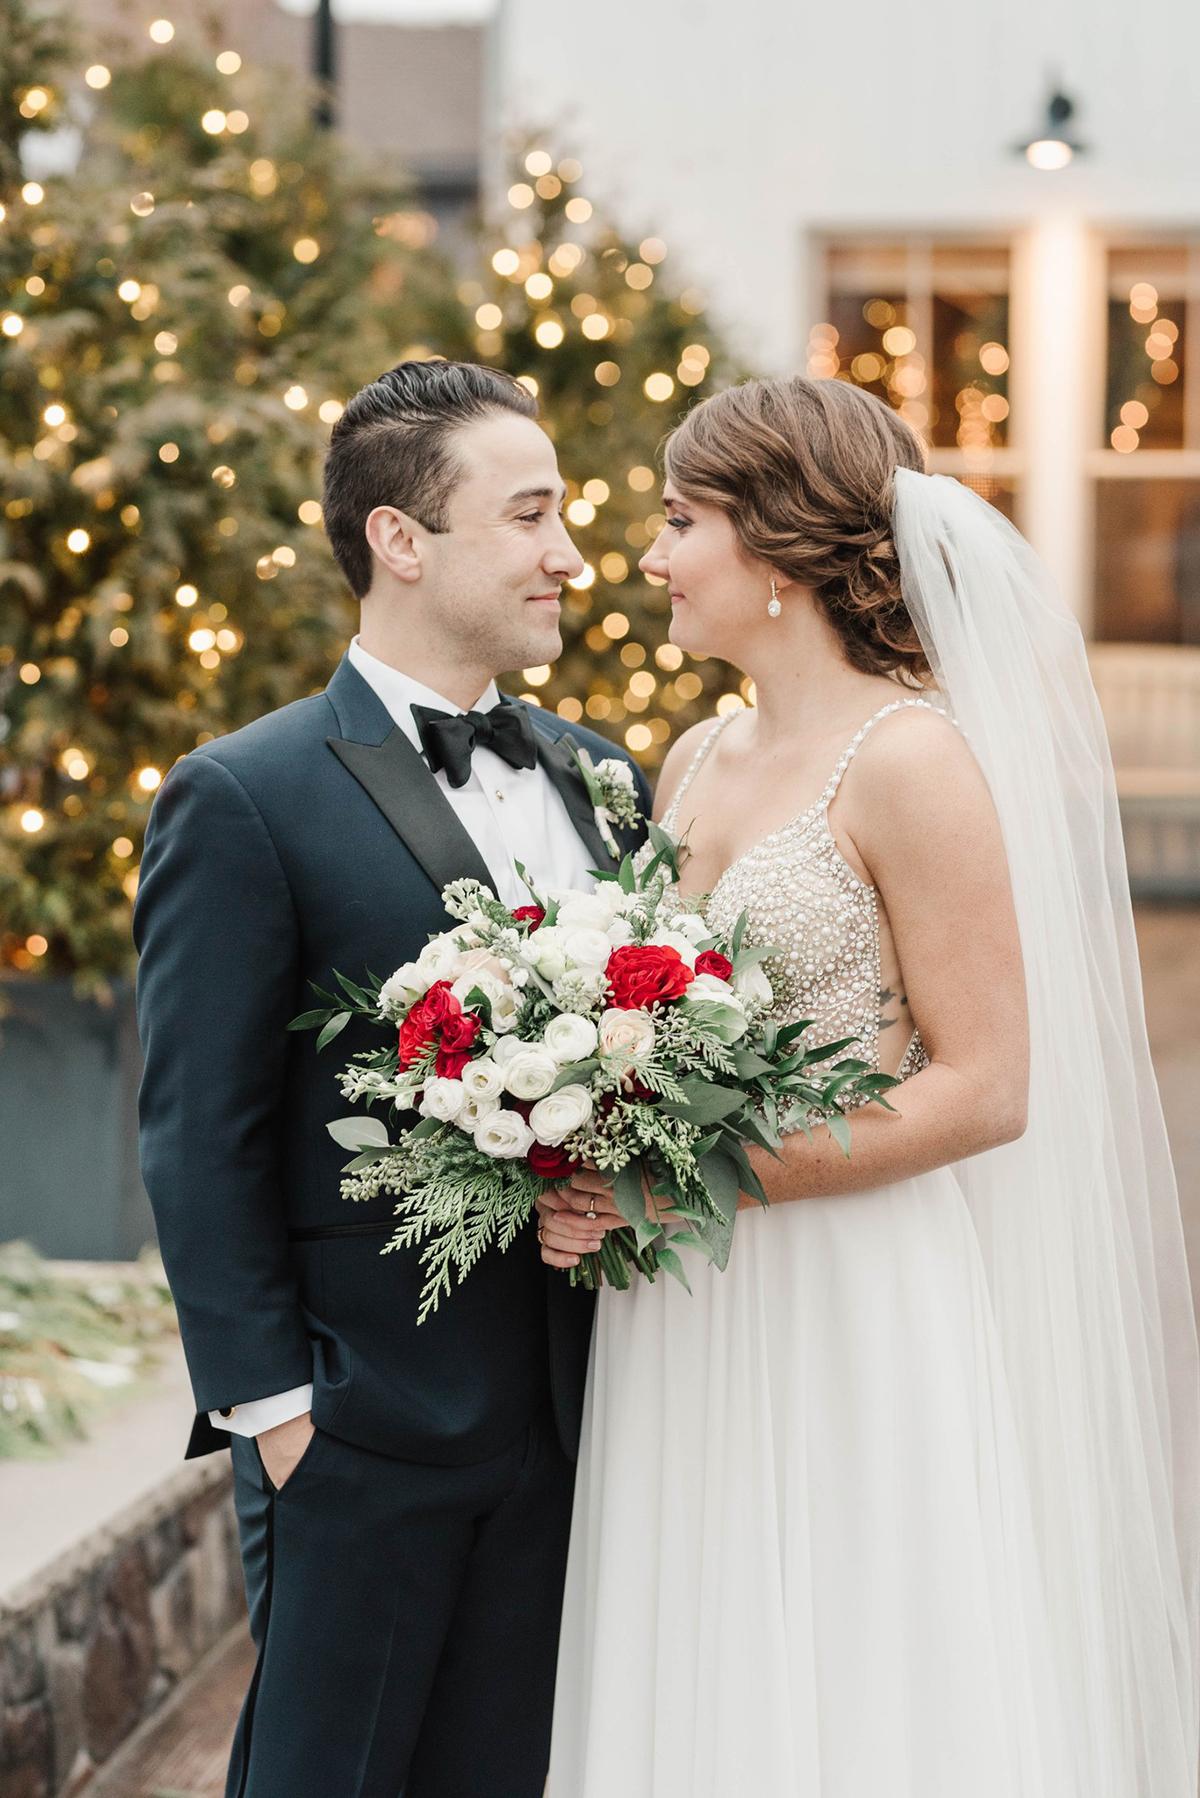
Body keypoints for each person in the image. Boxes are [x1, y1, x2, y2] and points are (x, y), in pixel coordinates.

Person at [538, 375, 1200, 1796]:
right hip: (685, 1300)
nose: (650, 557)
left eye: (678, 519)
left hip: (849, 1289)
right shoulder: (694, 757)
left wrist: (704, 1169)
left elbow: (987, 1085)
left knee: (860, 1670)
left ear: (775, 549)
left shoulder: (912, 761)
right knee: (702, 1652)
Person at [133, 359, 649, 1797]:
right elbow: (196, 1132)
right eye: (531, 515)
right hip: (363, 1434)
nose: (570, 555)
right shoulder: (244, 793)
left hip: (585, 1424)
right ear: (400, 539)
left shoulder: (605, 777)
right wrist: (283, 1421)